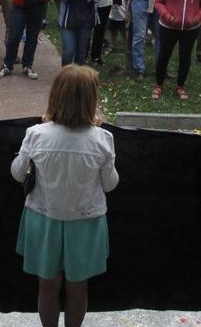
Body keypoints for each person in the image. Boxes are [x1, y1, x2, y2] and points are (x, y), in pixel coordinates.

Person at [11, 65, 118, 327]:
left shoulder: (36, 135)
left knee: (47, 286)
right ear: (90, 100)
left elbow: (16, 174)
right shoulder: (103, 139)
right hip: (86, 221)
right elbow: (110, 184)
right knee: (78, 288)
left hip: (43, 217)